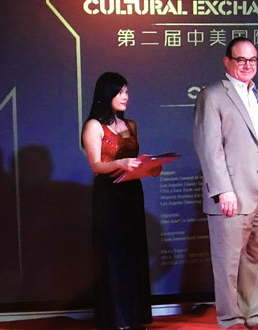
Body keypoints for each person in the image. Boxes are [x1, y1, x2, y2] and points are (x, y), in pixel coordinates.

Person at [193, 37, 258, 330]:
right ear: (227, 61)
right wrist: (223, 190)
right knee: (228, 262)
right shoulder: (212, 95)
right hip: (231, 193)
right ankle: (230, 319)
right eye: (241, 60)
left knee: (257, 259)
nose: (247, 65)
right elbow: (209, 147)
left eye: (253, 60)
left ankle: (253, 316)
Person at [82, 72, 159, 330]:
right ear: (107, 94)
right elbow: (96, 165)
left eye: (126, 91)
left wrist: (150, 167)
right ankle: (117, 320)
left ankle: (134, 317)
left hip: (132, 192)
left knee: (133, 252)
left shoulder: (131, 125)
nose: (125, 96)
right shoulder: (94, 126)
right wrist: (120, 163)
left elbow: (135, 162)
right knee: (113, 254)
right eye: (120, 92)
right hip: (108, 194)